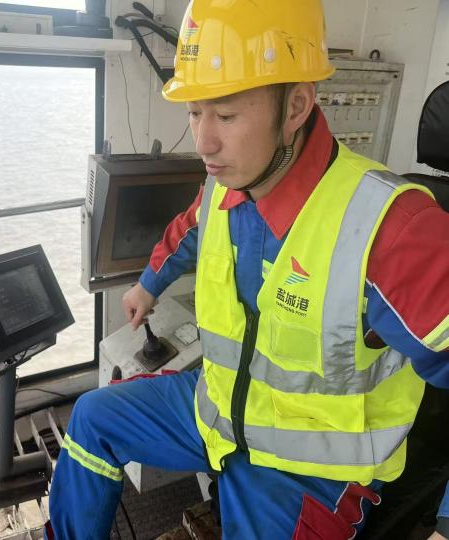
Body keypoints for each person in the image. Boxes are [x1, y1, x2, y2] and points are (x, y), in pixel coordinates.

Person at [46, 0, 449, 538]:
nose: (203, 142)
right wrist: (148, 283)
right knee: (92, 419)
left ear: (296, 106)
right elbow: (191, 227)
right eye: (195, 113)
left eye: (226, 114)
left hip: (309, 469)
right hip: (218, 409)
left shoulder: (392, 227)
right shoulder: (228, 183)